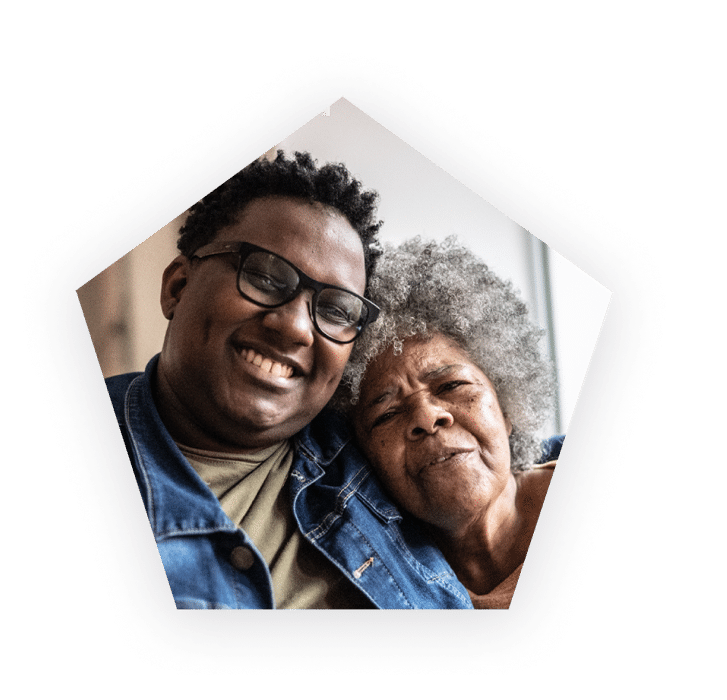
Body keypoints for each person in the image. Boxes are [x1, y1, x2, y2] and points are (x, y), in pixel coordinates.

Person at [105, 152, 474, 610]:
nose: (297, 328)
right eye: (262, 276)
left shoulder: (370, 443)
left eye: (337, 311)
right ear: (178, 286)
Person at [336, 237, 560, 609]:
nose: (426, 416)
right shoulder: (369, 585)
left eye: (452, 385)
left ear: (505, 406)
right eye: (386, 414)